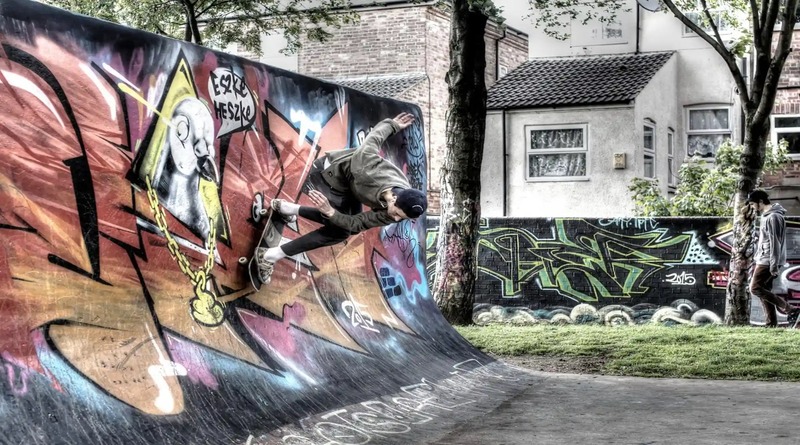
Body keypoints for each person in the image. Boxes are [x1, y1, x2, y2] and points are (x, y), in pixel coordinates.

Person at [257, 112, 427, 284]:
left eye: (401, 218)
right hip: (329, 175)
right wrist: (392, 125)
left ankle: (286, 208)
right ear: (393, 199)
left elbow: (357, 223)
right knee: (337, 231)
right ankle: (269, 256)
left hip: (352, 188)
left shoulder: (398, 207)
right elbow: (373, 138)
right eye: (397, 214)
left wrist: (331, 212)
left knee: (344, 226)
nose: (395, 219)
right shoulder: (367, 167)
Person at [747, 189, 798, 326]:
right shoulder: (766, 216)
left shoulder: (773, 217)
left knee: (755, 288)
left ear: (761, 202)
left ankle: (790, 308)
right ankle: (771, 324)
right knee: (765, 291)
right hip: (763, 258)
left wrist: (773, 264)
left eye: (753, 204)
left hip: (768, 260)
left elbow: (775, 242)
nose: (752, 207)